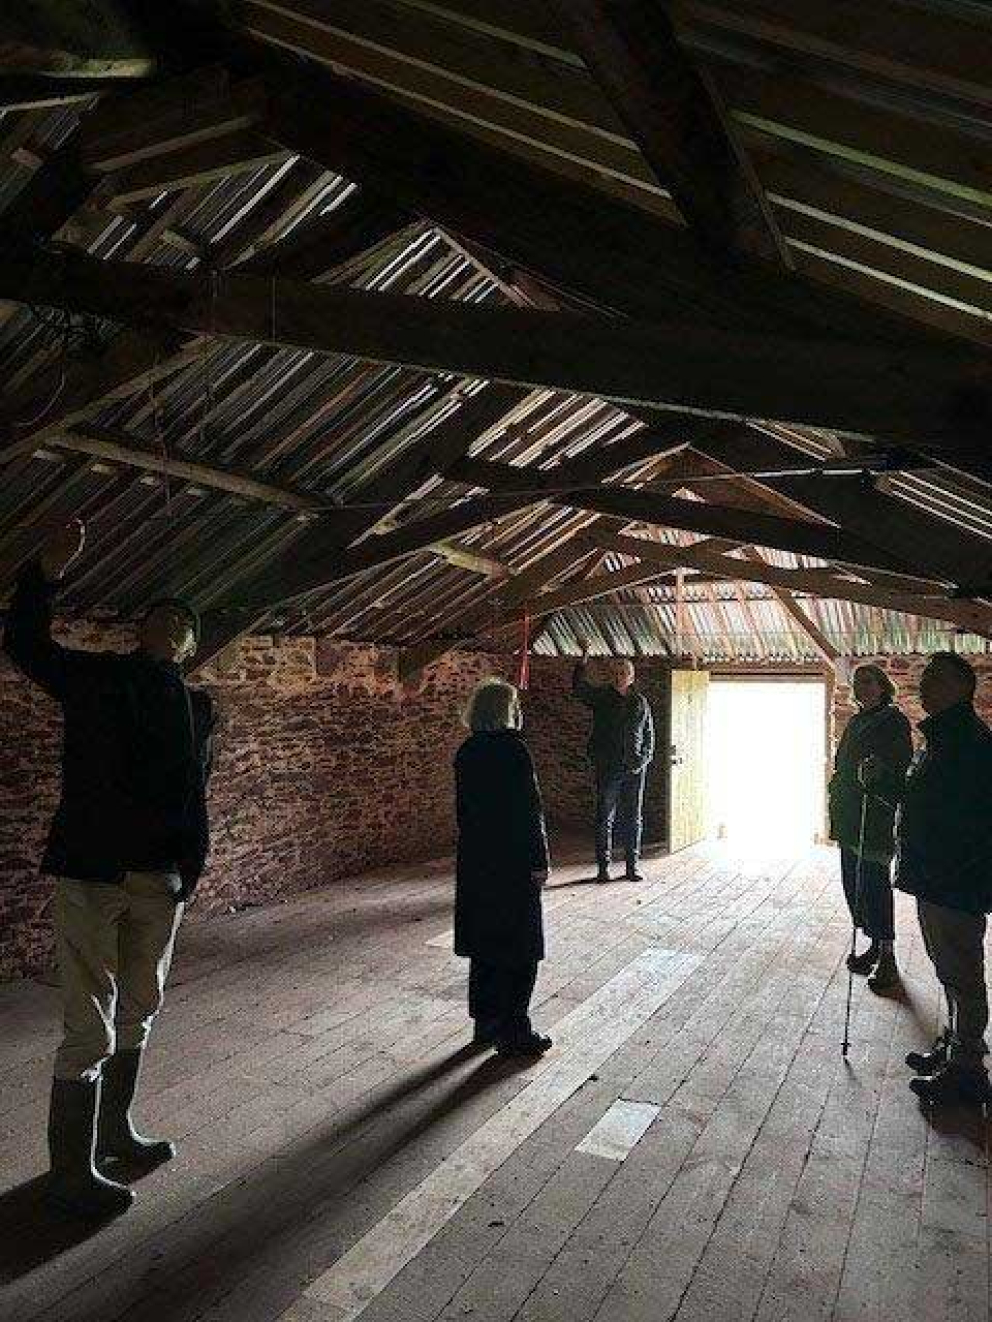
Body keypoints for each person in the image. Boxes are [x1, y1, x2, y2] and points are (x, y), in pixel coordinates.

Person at [3, 518, 217, 1217]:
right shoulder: (97, 679)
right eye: (158, 615)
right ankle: (71, 1172)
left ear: (189, 646)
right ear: (141, 632)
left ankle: (116, 1133)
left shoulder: (196, 707)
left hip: (161, 881)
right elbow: (27, 645)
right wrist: (45, 574)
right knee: (88, 1023)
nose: (168, 624)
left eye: (180, 621)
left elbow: (194, 796)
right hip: (95, 874)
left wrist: (192, 868)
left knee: (140, 1012)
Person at [863, 652, 992, 1105]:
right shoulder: (942, 739)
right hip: (936, 874)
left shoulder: (970, 744)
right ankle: (955, 1047)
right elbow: (922, 800)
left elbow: (969, 820)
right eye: (925, 677)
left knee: (962, 974)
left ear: (962, 689)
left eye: (935, 678)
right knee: (949, 970)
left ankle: (968, 1068)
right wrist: (885, 784)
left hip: (954, 879)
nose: (924, 684)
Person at [454, 678, 551, 1058]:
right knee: (521, 949)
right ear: (505, 711)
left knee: (486, 946)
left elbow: (465, 813)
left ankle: (485, 1023)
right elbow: (530, 811)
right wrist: (538, 860)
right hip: (512, 862)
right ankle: (515, 1030)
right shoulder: (514, 752)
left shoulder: (467, 751)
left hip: (478, 860)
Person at [828, 664, 913, 992]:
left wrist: (880, 773)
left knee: (875, 885)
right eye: (857, 682)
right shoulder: (856, 721)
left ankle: (888, 957)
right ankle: (875, 945)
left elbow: (900, 763)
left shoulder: (893, 721)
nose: (862, 687)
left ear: (882, 686)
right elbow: (842, 764)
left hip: (873, 814)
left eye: (868, 681)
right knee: (855, 884)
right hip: (849, 814)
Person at [571, 647, 655, 883]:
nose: (620, 676)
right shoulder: (602, 698)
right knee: (604, 818)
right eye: (616, 673)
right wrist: (583, 661)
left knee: (633, 818)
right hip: (608, 767)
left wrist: (643, 759)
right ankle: (603, 868)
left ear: (631, 677)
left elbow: (649, 734)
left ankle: (632, 867)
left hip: (634, 768)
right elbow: (579, 689)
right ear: (612, 676)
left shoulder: (640, 702)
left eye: (624, 673)